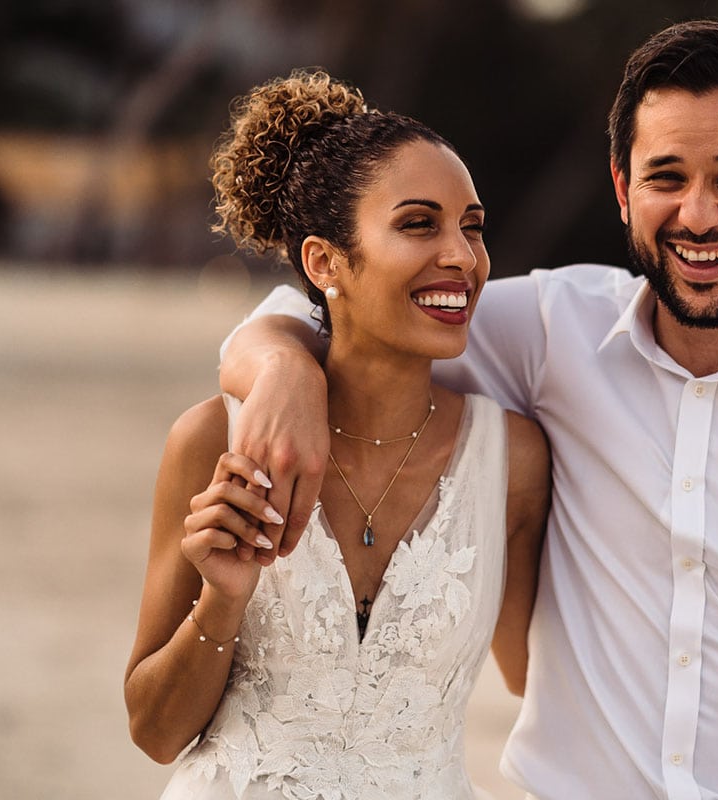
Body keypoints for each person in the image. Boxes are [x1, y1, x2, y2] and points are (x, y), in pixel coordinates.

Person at [220, 21, 718, 800]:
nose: (698, 216)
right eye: (666, 177)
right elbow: (335, 310)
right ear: (624, 190)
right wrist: (288, 368)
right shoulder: (549, 334)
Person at [124, 70, 550, 799]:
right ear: (324, 262)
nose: (463, 256)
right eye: (420, 224)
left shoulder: (511, 459)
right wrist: (222, 600)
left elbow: (532, 673)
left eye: (472, 227)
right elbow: (157, 734)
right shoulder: (210, 441)